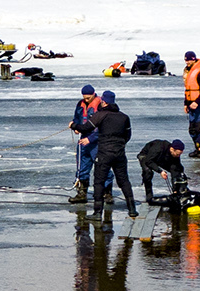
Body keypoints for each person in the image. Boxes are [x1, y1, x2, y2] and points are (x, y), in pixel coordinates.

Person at [88, 89, 138, 221]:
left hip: (104, 153)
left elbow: (86, 128)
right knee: (124, 181)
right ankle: (132, 209)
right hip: (120, 153)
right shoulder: (124, 117)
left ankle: (97, 213)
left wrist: (73, 125)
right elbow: (128, 135)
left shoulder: (101, 115)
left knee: (99, 182)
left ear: (104, 102)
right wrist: (119, 144)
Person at [68, 83, 105, 203]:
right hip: (83, 139)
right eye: (84, 97)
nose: (86, 100)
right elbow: (77, 118)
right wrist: (76, 126)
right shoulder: (80, 104)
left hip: (97, 141)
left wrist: (91, 139)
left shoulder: (100, 105)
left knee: (102, 167)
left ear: (94, 94)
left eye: (88, 98)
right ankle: (82, 193)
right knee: (82, 167)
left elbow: (103, 126)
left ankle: (107, 193)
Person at [137, 138, 187, 204]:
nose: (178, 156)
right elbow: (148, 161)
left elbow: (177, 169)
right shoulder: (158, 148)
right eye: (177, 154)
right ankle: (149, 195)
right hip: (146, 157)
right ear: (172, 149)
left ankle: (178, 191)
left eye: (179, 155)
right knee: (148, 172)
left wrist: (175, 189)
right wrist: (160, 171)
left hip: (160, 159)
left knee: (177, 169)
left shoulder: (174, 154)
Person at [182, 51, 200, 151]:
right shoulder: (188, 72)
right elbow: (188, 90)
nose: (187, 62)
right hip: (191, 104)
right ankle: (198, 148)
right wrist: (186, 104)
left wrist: (197, 102)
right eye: (186, 60)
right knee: (193, 129)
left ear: (194, 59)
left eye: (189, 60)